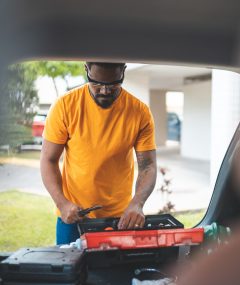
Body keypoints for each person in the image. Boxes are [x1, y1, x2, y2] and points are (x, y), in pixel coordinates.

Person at [40, 62, 157, 244]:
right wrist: (62, 203)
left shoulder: (140, 112)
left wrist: (137, 203)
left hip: (120, 219)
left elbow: (148, 165)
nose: (104, 91)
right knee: (70, 270)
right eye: (97, 84)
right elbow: (48, 160)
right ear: (86, 70)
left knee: (112, 272)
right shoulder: (64, 106)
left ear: (123, 72)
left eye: (112, 85)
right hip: (72, 216)